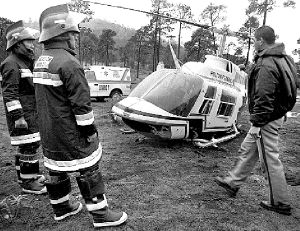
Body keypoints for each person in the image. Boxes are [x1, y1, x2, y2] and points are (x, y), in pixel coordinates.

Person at [33, 4, 127, 227]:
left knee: (55, 169)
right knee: (89, 168)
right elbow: (81, 105)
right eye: (73, 35)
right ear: (63, 35)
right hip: (69, 132)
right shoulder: (69, 63)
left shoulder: (41, 60)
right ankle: (100, 214)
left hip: (49, 132)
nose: (75, 40)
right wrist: (89, 131)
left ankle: (61, 208)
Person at [215, 26, 297, 216]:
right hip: (276, 114)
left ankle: (280, 202)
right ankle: (233, 182)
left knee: (269, 160)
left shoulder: (266, 64)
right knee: (248, 148)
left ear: (260, 41)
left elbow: (264, 96)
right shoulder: (283, 58)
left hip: (266, 118)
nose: (253, 43)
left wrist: (257, 124)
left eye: (254, 40)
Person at [0, 20, 46, 195]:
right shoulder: (11, 63)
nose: (32, 45)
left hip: (29, 113)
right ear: (17, 43)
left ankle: (26, 177)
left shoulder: (23, 61)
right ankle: (29, 183)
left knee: (27, 147)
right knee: (30, 147)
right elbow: (10, 95)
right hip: (23, 116)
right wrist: (18, 117)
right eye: (28, 41)